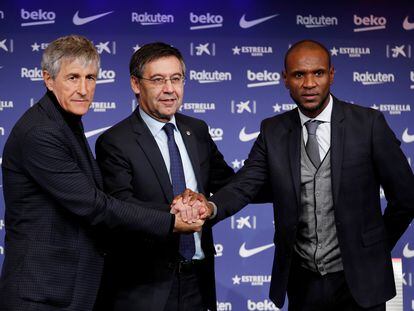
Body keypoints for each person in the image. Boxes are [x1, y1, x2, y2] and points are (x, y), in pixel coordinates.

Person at [178, 40, 414, 310]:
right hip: (303, 283)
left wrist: (375, 246)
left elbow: (406, 198)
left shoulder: (369, 124)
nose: (309, 83)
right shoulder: (273, 131)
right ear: (285, 79)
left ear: (332, 75)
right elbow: (245, 184)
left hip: (362, 282)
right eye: (299, 75)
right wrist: (209, 206)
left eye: (318, 73)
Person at [0, 35, 201, 311]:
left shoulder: (65, 122)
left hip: (66, 289)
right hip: (41, 293)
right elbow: (94, 205)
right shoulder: (40, 132)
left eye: (91, 78)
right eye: (73, 78)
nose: (83, 89)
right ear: (48, 79)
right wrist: (170, 220)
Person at [95, 42, 234, 311]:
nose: (169, 89)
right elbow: (120, 208)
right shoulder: (115, 141)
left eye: (176, 79)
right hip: (144, 288)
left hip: (197, 281)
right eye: (158, 80)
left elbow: (229, 184)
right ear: (136, 84)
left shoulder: (197, 130)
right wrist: (175, 217)